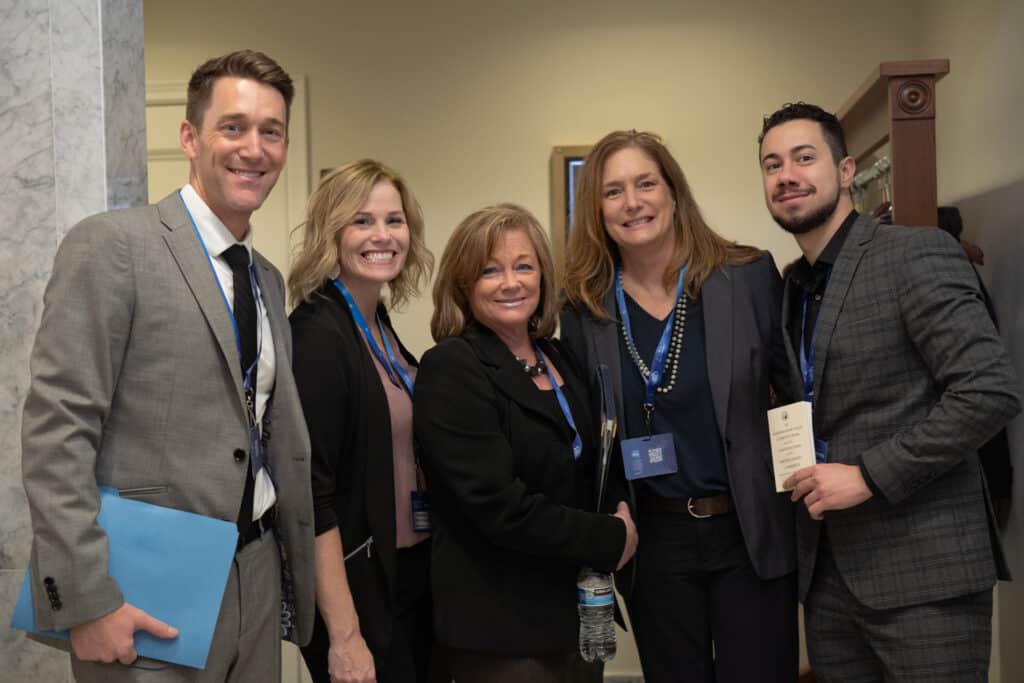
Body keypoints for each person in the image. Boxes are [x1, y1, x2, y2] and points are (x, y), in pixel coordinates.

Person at [20, 50, 315, 682]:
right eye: (233, 126)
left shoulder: (266, 279)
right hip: (145, 584)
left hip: (256, 569)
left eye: (272, 131)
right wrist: (88, 597)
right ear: (189, 136)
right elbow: (57, 430)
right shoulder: (114, 246)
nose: (254, 149)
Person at [757, 101, 1021, 682]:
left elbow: (989, 391)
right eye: (772, 165)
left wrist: (869, 475)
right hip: (827, 580)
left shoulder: (915, 253)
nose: (787, 175)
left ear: (847, 170)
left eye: (804, 157)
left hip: (925, 578)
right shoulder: (790, 288)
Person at [560, 130, 798, 683]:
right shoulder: (584, 309)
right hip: (655, 542)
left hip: (748, 531)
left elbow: (794, 395)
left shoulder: (746, 275)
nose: (632, 202)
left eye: (646, 183)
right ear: (596, 209)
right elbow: (589, 434)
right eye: (612, 191)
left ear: (673, 192)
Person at [413, 204, 638, 683]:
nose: (510, 282)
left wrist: (618, 503)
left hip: (575, 615)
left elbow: (595, 456)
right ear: (463, 285)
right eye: (490, 270)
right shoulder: (452, 367)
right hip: (502, 631)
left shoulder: (559, 356)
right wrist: (609, 537)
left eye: (524, 266)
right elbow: (500, 507)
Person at [288, 159, 436, 683]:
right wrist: (346, 637)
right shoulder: (317, 335)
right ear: (332, 233)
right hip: (358, 593)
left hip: (406, 573)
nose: (383, 235)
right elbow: (311, 497)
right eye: (362, 221)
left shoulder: (378, 321)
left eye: (394, 220)